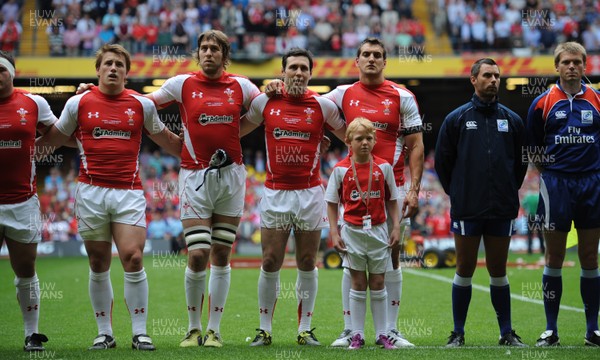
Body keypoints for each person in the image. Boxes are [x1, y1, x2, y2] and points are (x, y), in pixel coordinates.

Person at [266, 37, 424, 348]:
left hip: (391, 188)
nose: (371, 59)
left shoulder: (402, 96)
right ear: (356, 60)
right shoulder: (342, 94)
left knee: (392, 255)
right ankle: (350, 329)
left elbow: (416, 144)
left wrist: (414, 190)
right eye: (365, 54)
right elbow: (306, 101)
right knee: (350, 257)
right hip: (352, 189)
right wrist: (275, 85)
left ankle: (390, 330)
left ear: (384, 61)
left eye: (377, 55)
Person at [37, 44, 182, 351]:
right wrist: (21, 149)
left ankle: (140, 332)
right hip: (90, 192)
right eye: (108, 64)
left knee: (133, 257)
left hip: (128, 192)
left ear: (127, 73)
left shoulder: (142, 105)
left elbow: (165, 138)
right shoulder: (79, 103)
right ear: (98, 70)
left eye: (119, 64)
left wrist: (198, 155)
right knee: (98, 262)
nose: (113, 68)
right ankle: (105, 333)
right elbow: (58, 135)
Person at [147, 30, 261, 348]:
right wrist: (170, 140)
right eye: (204, 48)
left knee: (222, 254)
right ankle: (192, 328)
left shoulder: (241, 85)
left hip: (232, 177)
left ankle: (214, 330)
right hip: (194, 176)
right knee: (198, 254)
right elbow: (143, 105)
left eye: (215, 48)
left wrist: (276, 88)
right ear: (198, 53)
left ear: (225, 55)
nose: (208, 52)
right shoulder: (181, 83)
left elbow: (264, 108)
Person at [241, 48, 346, 346]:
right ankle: (264, 329)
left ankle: (305, 329)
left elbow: (351, 135)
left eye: (304, 68)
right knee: (271, 259)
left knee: (307, 260)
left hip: (310, 193)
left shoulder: (323, 106)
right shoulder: (266, 101)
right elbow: (236, 130)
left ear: (311, 73)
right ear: (283, 71)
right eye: (293, 67)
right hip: (275, 192)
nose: (298, 72)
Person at [435, 58, 528, 347]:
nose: (494, 80)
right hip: (467, 207)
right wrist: (460, 192)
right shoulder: (456, 119)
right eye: (487, 75)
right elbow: (442, 163)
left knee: (499, 269)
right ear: (473, 80)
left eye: (497, 76)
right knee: (465, 267)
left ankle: (507, 333)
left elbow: (520, 165)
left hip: (501, 207)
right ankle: (458, 333)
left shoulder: (513, 120)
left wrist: (507, 190)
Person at [526, 41, 600, 347]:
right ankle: (550, 329)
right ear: (556, 67)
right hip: (556, 184)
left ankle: (593, 329)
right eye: (566, 62)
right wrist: (552, 174)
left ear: (585, 66)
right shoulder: (542, 103)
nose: (572, 67)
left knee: (589, 256)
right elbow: (533, 149)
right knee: (554, 256)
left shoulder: (597, 99)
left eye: (577, 62)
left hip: (592, 183)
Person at [325, 118, 401, 350]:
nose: (365, 143)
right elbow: (331, 203)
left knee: (378, 281)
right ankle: (357, 334)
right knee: (357, 282)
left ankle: (382, 334)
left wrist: (395, 227)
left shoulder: (384, 167)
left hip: (378, 231)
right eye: (359, 139)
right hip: (352, 231)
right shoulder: (340, 170)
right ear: (349, 141)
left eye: (369, 138)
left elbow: (393, 200)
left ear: (375, 140)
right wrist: (334, 232)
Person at [0, 50, 55, 351]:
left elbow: (58, 132)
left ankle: (31, 334)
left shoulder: (34, 103)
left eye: (1, 70)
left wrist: (38, 150)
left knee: (26, 268)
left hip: (23, 202)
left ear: (12, 72)